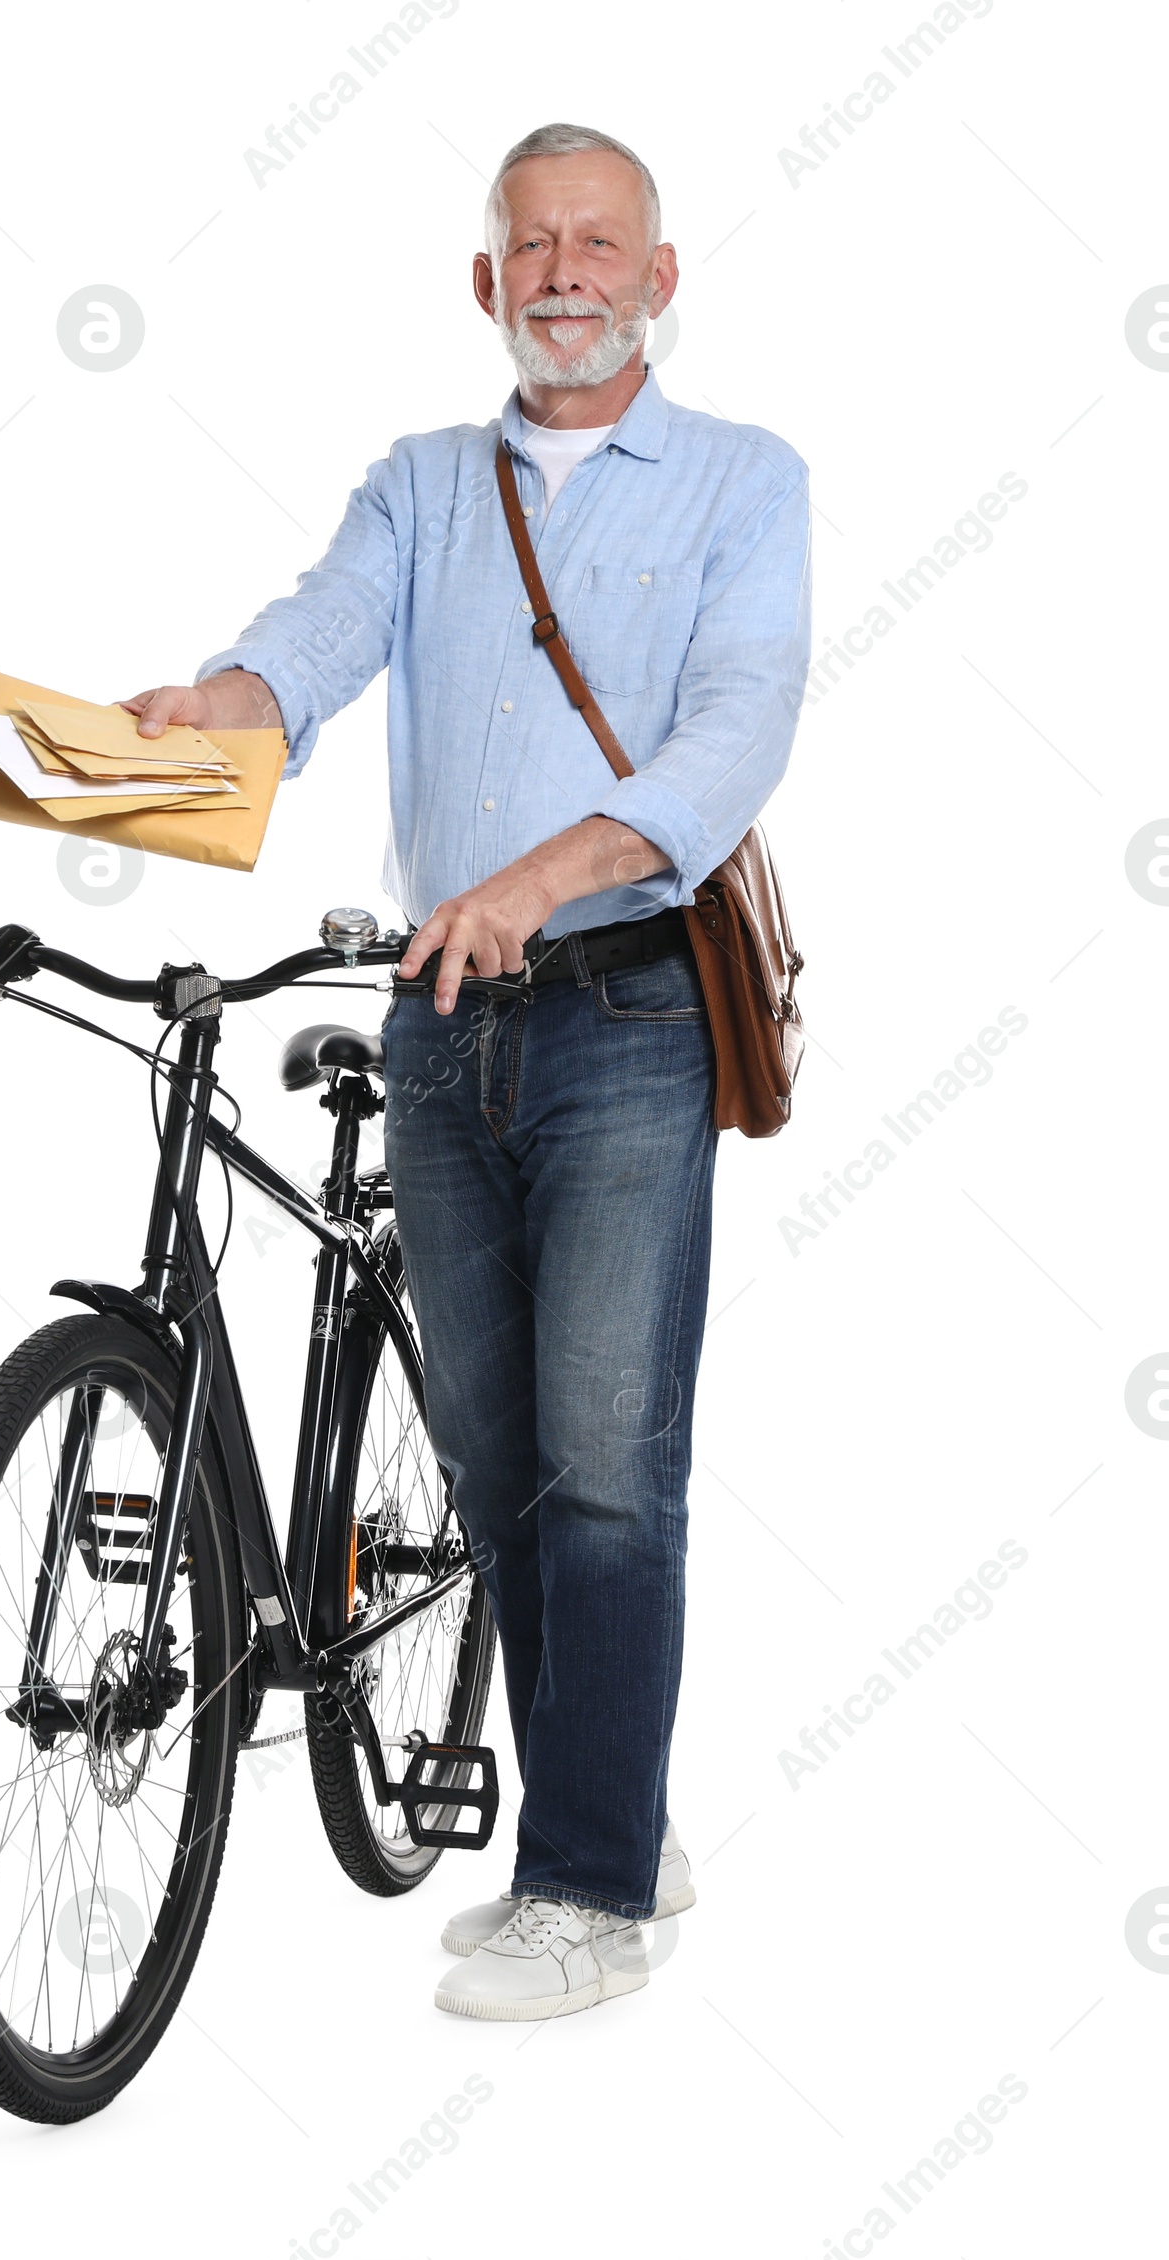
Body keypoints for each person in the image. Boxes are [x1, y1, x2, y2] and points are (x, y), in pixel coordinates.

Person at [123, 121, 811, 2021]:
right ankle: (615, 1804)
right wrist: (230, 703)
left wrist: (544, 875)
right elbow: (324, 631)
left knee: (607, 1463)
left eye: (604, 244)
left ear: (661, 280)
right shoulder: (425, 483)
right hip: (444, 1014)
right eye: (534, 245)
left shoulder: (746, 484)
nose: (567, 272)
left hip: (630, 1009)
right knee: (500, 1455)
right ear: (488, 281)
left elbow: (739, 728)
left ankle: (587, 1883)